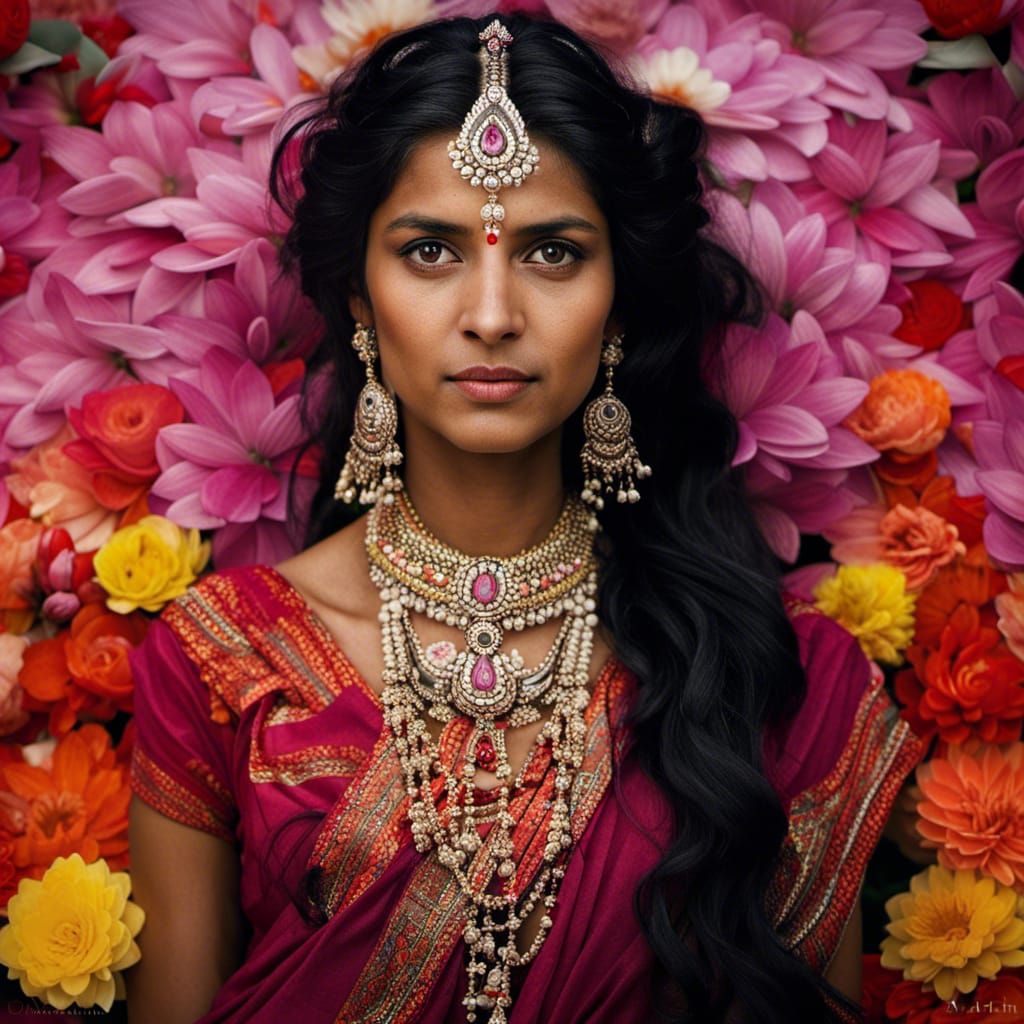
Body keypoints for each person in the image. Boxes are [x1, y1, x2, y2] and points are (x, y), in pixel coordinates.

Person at [124, 11, 924, 1024]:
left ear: (618, 301)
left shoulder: (774, 678)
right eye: (430, 251)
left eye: (553, 252)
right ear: (360, 299)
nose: (494, 315)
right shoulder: (222, 661)